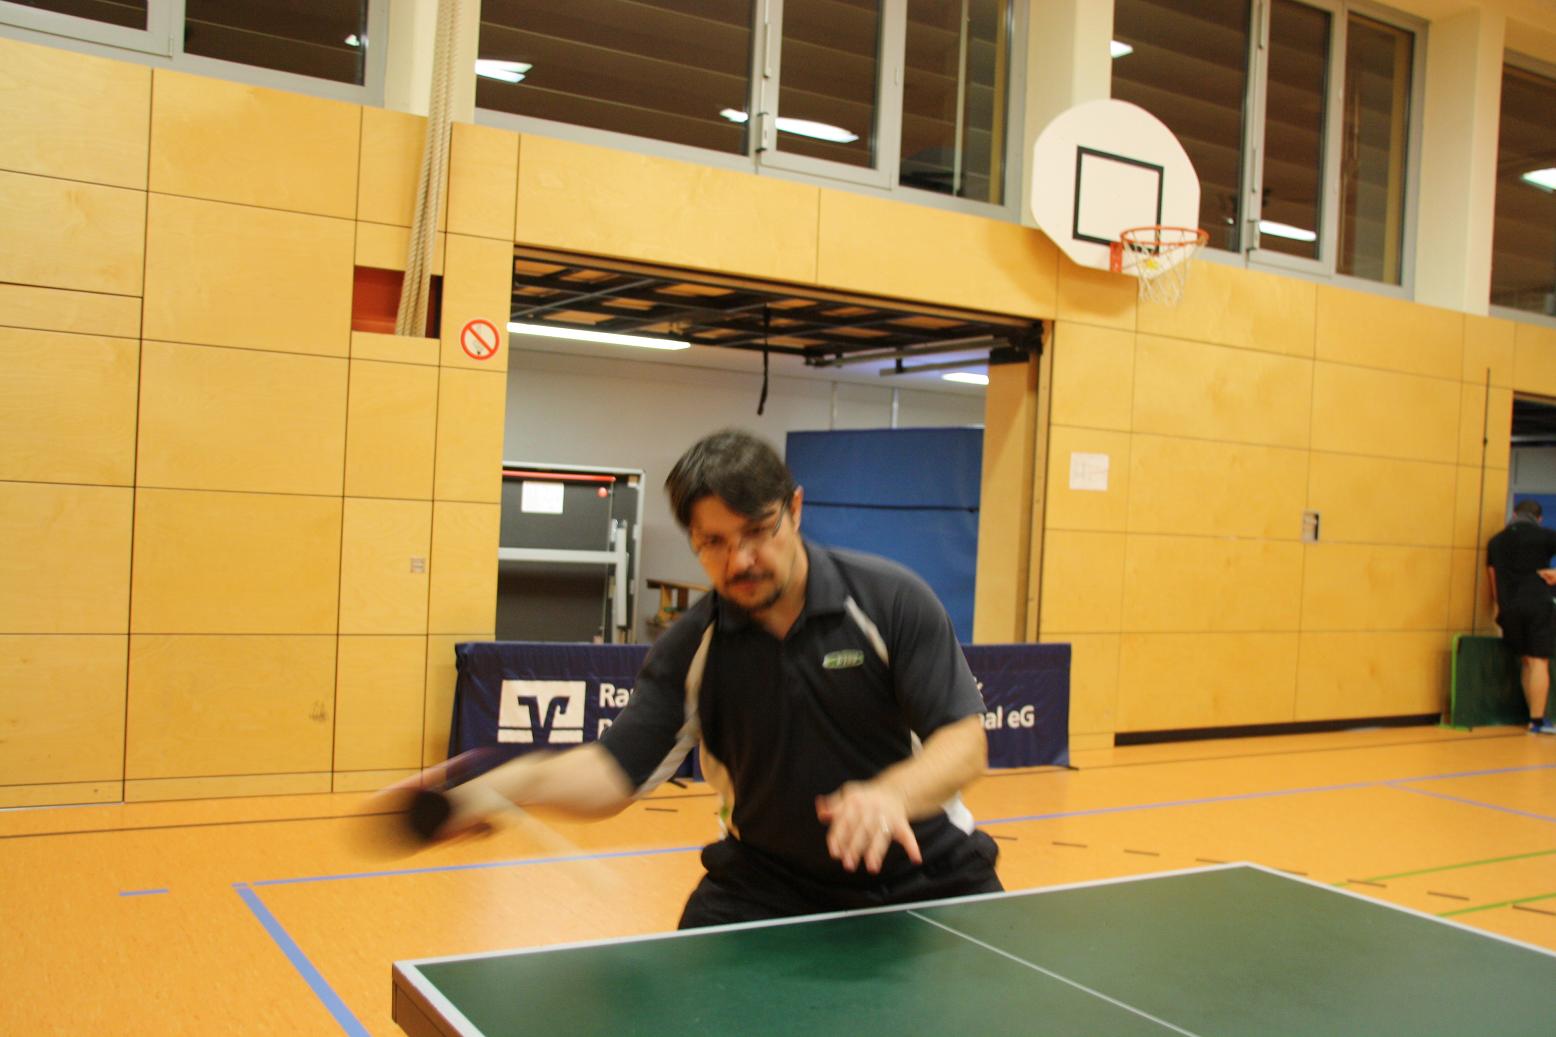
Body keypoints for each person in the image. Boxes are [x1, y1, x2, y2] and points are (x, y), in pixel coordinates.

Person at [413, 428, 1001, 927]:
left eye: (758, 531)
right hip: (768, 885)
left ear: (795, 509)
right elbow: (614, 772)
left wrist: (892, 793)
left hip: (927, 873)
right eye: (713, 542)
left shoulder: (891, 601)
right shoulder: (693, 646)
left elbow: (963, 742)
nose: (739, 560)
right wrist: (509, 785)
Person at [1485, 499, 1556, 735]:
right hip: (1537, 603)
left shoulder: (1496, 541)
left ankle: (1532, 717)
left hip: (1509, 607)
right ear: (1539, 519)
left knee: (1526, 660)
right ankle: (1537, 721)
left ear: (1514, 515)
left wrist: (1501, 608)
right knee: (1539, 661)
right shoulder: (1545, 536)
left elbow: (1493, 577)